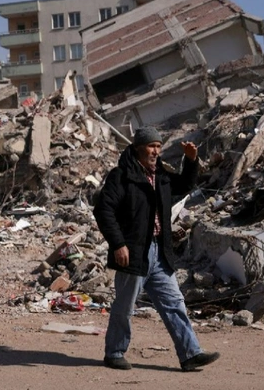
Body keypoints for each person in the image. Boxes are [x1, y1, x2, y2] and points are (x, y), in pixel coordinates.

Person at [93, 126, 220, 372]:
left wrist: (191, 161)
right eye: (151, 146)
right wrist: (118, 244)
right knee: (125, 307)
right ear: (138, 148)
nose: (155, 151)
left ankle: (191, 353)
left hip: (159, 253)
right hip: (133, 252)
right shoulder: (122, 176)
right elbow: (104, 211)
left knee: (174, 303)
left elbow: (183, 185)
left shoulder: (160, 176)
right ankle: (114, 352)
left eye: (159, 147)